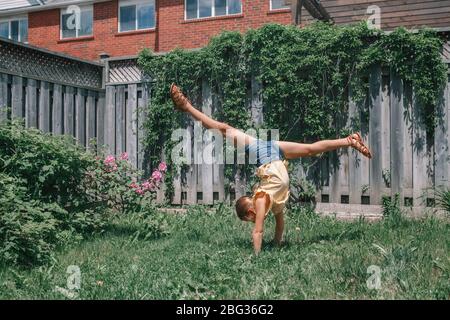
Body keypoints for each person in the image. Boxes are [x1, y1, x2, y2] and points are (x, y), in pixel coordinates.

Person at [169, 84, 372, 254]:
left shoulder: (261, 199)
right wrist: (276, 244)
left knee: (223, 129)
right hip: (275, 153)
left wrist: (256, 257)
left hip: (264, 155)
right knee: (310, 150)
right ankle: (349, 140)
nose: (253, 221)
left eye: (250, 219)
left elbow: (258, 232)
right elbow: (279, 224)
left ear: (250, 214)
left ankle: (186, 106)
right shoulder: (273, 202)